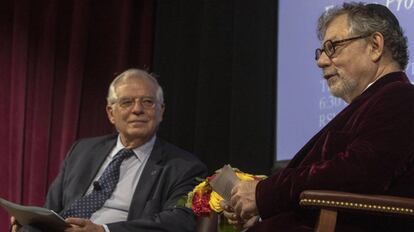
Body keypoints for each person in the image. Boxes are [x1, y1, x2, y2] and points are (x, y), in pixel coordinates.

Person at [222, 3, 414, 232]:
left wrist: (264, 194)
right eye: (321, 51)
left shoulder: (401, 97)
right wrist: (262, 210)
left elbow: (359, 171)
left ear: (374, 46)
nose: (321, 61)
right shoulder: (370, 103)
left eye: (333, 47)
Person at [12, 68, 207, 232]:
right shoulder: (82, 150)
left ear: (161, 111)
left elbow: (178, 222)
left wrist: (103, 230)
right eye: (127, 102)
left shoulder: (185, 167)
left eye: (148, 102)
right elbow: (52, 209)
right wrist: (30, 223)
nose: (137, 109)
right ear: (111, 113)